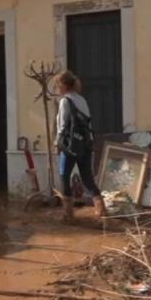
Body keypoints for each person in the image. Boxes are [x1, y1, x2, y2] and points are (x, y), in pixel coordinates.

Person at [54, 70, 106, 220]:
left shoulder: (65, 101)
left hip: (70, 146)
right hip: (85, 144)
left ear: (64, 85)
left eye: (58, 85)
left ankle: (68, 214)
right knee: (88, 178)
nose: (58, 89)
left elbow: (62, 126)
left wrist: (58, 143)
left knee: (64, 176)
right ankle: (101, 211)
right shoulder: (82, 100)